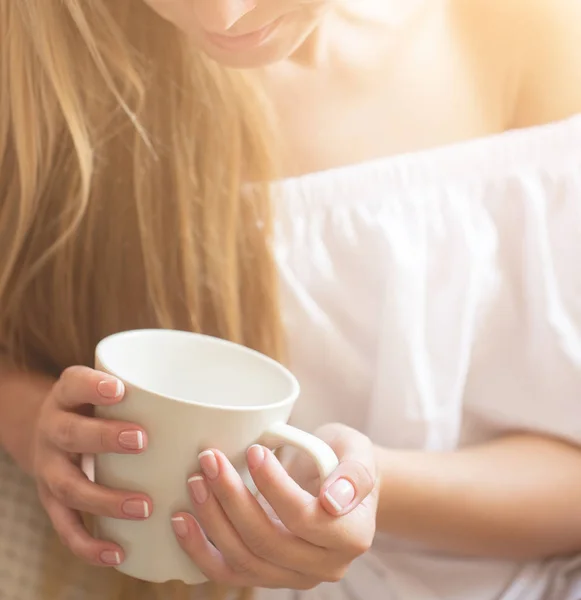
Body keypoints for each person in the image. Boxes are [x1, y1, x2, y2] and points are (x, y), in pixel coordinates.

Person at [1, 0, 581, 599]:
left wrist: (353, 487)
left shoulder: (530, 34)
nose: (224, 16)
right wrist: (36, 427)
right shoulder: (55, 62)